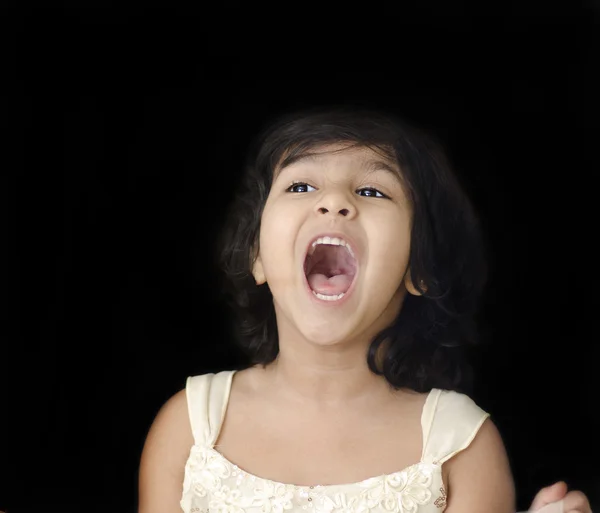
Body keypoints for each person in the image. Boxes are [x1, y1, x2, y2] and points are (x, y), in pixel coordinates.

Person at [138, 107, 592, 513]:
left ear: (420, 268)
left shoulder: (458, 446)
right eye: (300, 185)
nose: (334, 201)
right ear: (256, 255)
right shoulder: (192, 427)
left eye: (374, 191)